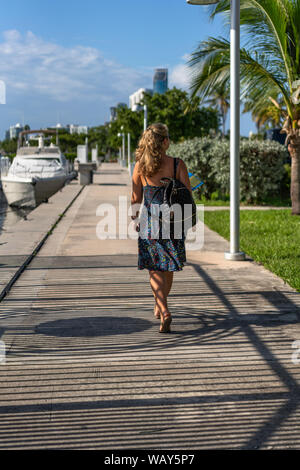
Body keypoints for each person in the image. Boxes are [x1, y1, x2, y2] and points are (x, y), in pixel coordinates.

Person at [130, 123, 192, 333]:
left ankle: (163, 309)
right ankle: (161, 304)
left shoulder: (140, 166)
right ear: (165, 142)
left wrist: (134, 217)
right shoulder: (177, 164)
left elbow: (136, 199)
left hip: (150, 221)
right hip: (173, 220)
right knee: (168, 266)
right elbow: (187, 195)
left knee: (155, 267)